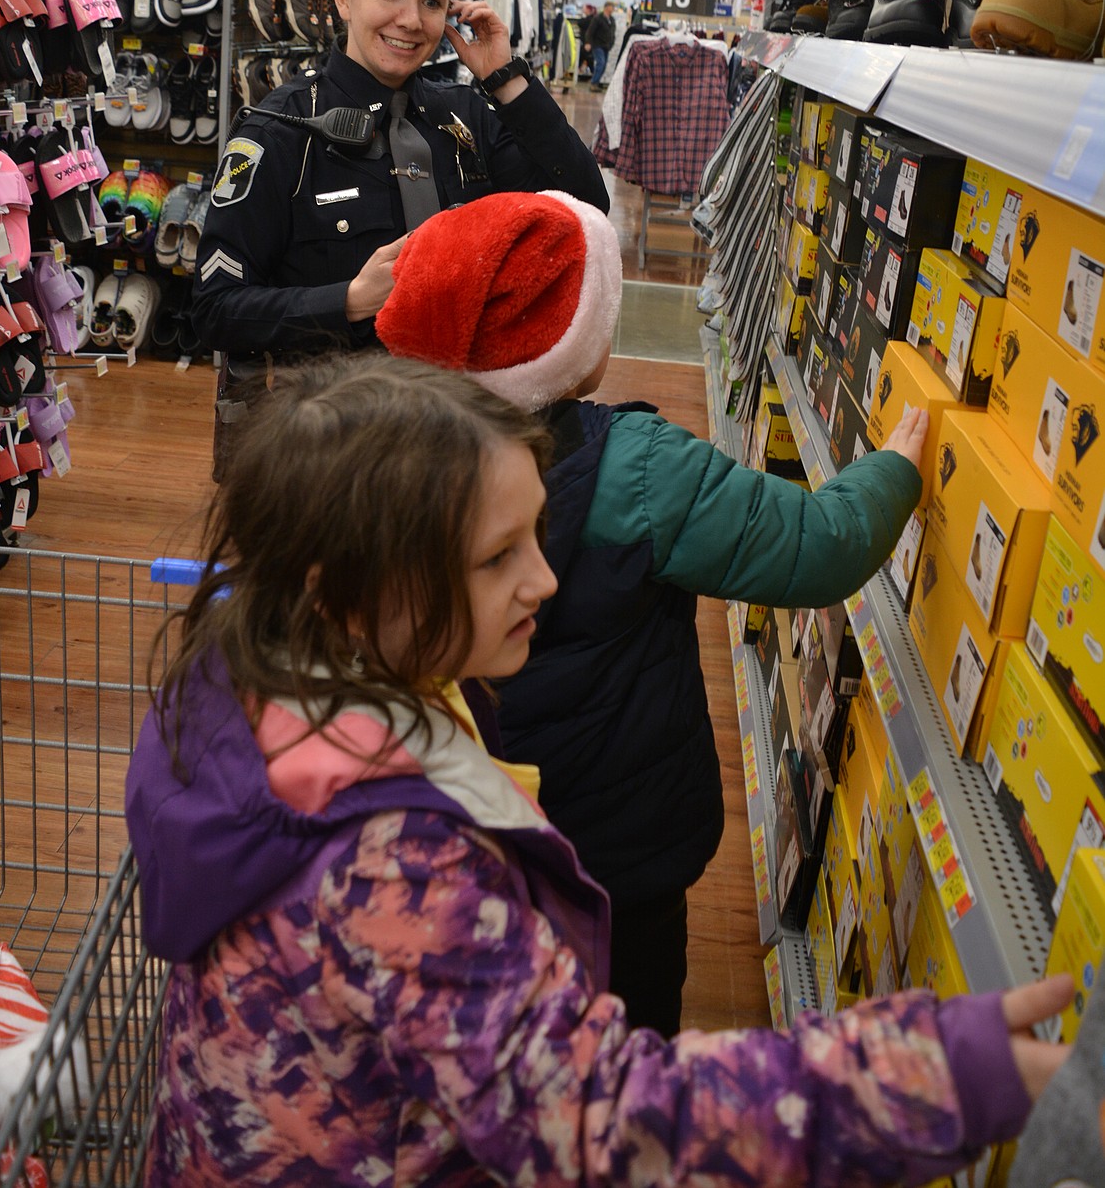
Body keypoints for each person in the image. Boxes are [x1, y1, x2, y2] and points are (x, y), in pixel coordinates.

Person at [126, 351, 1071, 1187]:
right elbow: (604, 1124)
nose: (542, 580)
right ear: (349, 594)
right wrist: (926, 1075)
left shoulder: (261, 685)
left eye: (534, 535)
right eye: (497, 558)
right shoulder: (392, 861)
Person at [376, 189, 926, 1035]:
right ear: (577, 343)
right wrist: (896, 466)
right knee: (628, 1025)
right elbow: (823, 544)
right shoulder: (638, 467)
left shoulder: (382, 455)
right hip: (616, 838)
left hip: (455, 817)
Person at [191, 0, 608, 369]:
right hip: (336, 420)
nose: (411, 20)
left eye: (432, 2)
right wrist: (348, 301)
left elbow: (585, 204)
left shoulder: (466, 116)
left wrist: (506, 80)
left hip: (468, 405)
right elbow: (216, 310)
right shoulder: (281, 133)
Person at [585, 0, 616, 89]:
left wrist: (611, 43)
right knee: (601, 63)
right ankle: (593, 83)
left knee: (604, 65)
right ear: (606, 7)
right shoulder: (598, 18)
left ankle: (595, 82)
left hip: (606, 46)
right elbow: (590, 31)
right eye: (612, 7)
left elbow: (612, 32)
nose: (613, 9)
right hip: (597, 45)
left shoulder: (612, 20)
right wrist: (588, 42)